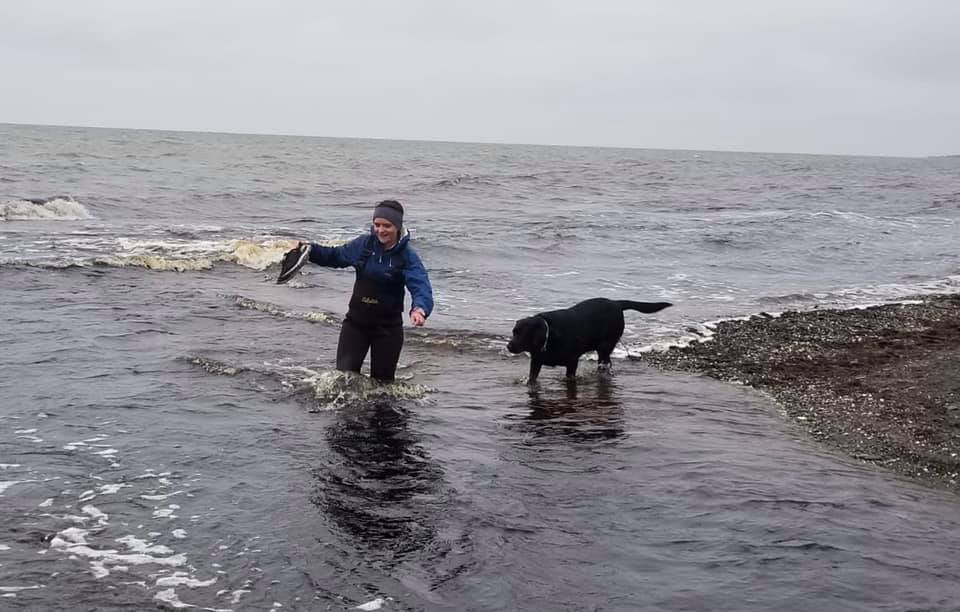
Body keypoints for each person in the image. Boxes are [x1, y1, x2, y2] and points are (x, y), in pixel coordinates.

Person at [302, 199, 433, 382]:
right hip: (355, 325)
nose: (381, 230)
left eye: (386, 225)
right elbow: (335, 256)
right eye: (377, 224)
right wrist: (310, 250)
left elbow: (420, 285)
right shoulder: (364, 245)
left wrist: (419, 309)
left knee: (382, 388)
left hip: (388, 330)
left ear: (397, 226)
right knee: (343, 381)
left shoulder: (407, 256)